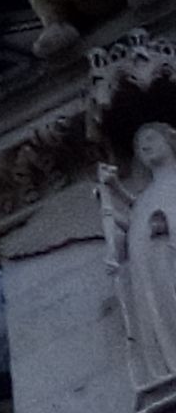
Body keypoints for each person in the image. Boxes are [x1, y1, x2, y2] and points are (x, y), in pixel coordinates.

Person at [99, 123, 176, 388]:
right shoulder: (147, 196)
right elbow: (136, 223)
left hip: (170, 258)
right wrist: (110, 195)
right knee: (160, 315)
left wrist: (168, 226)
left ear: (170, 140)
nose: (145, 145)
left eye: (151, 138)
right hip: (150, 273)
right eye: (140, 146)